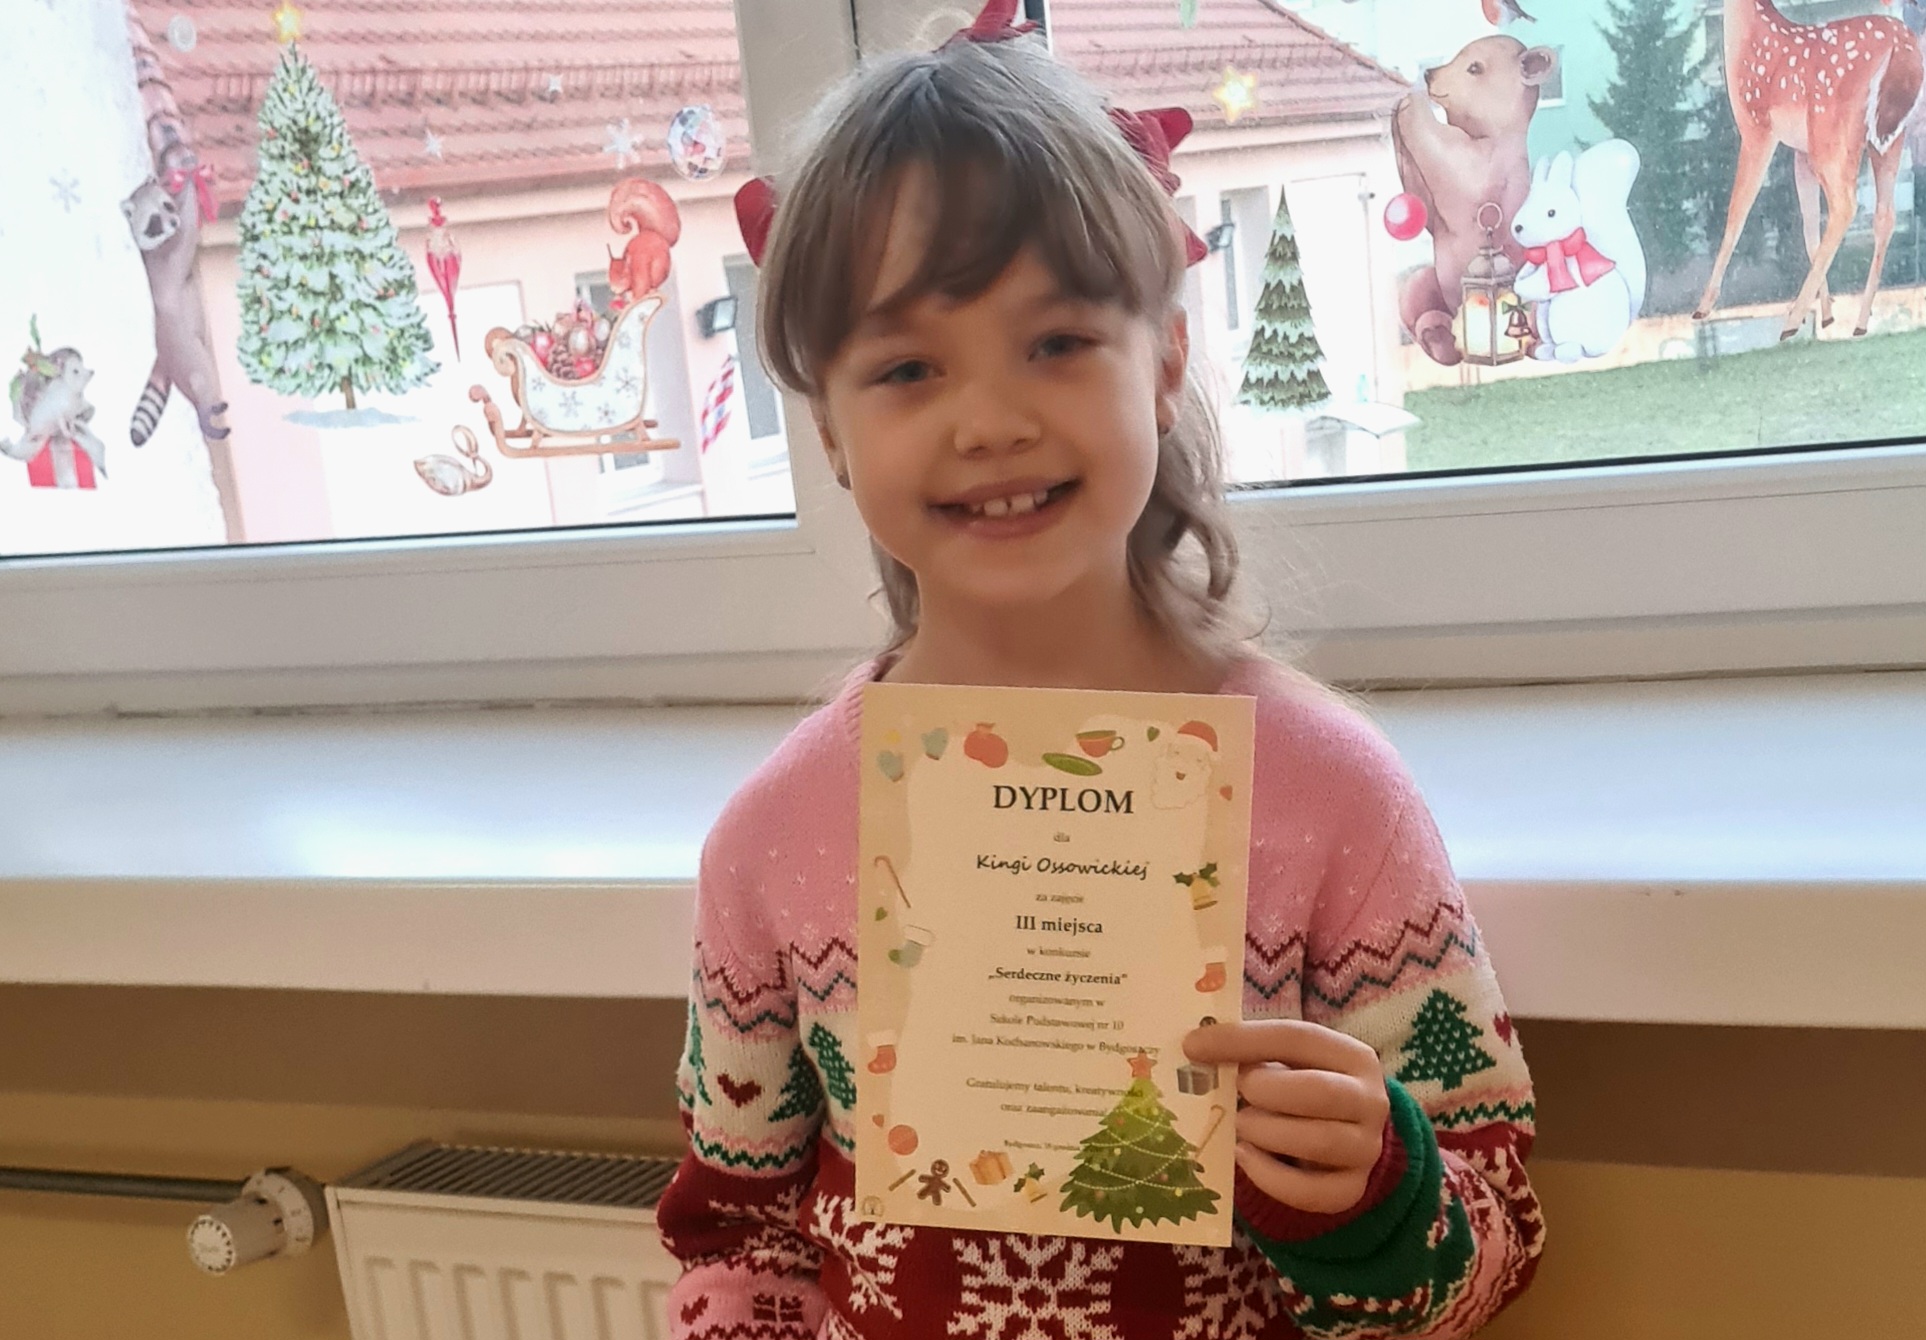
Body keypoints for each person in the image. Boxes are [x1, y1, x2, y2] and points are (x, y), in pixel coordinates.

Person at [655, 4, 1542, 1334]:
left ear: (1165, 360)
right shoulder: (774, 840)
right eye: (907, 367)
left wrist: (1371, 1196)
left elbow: (1494, 1240)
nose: (990, 422)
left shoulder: (1326, 797)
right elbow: (736, 1237)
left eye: (1057, 343)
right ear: (828, 430)